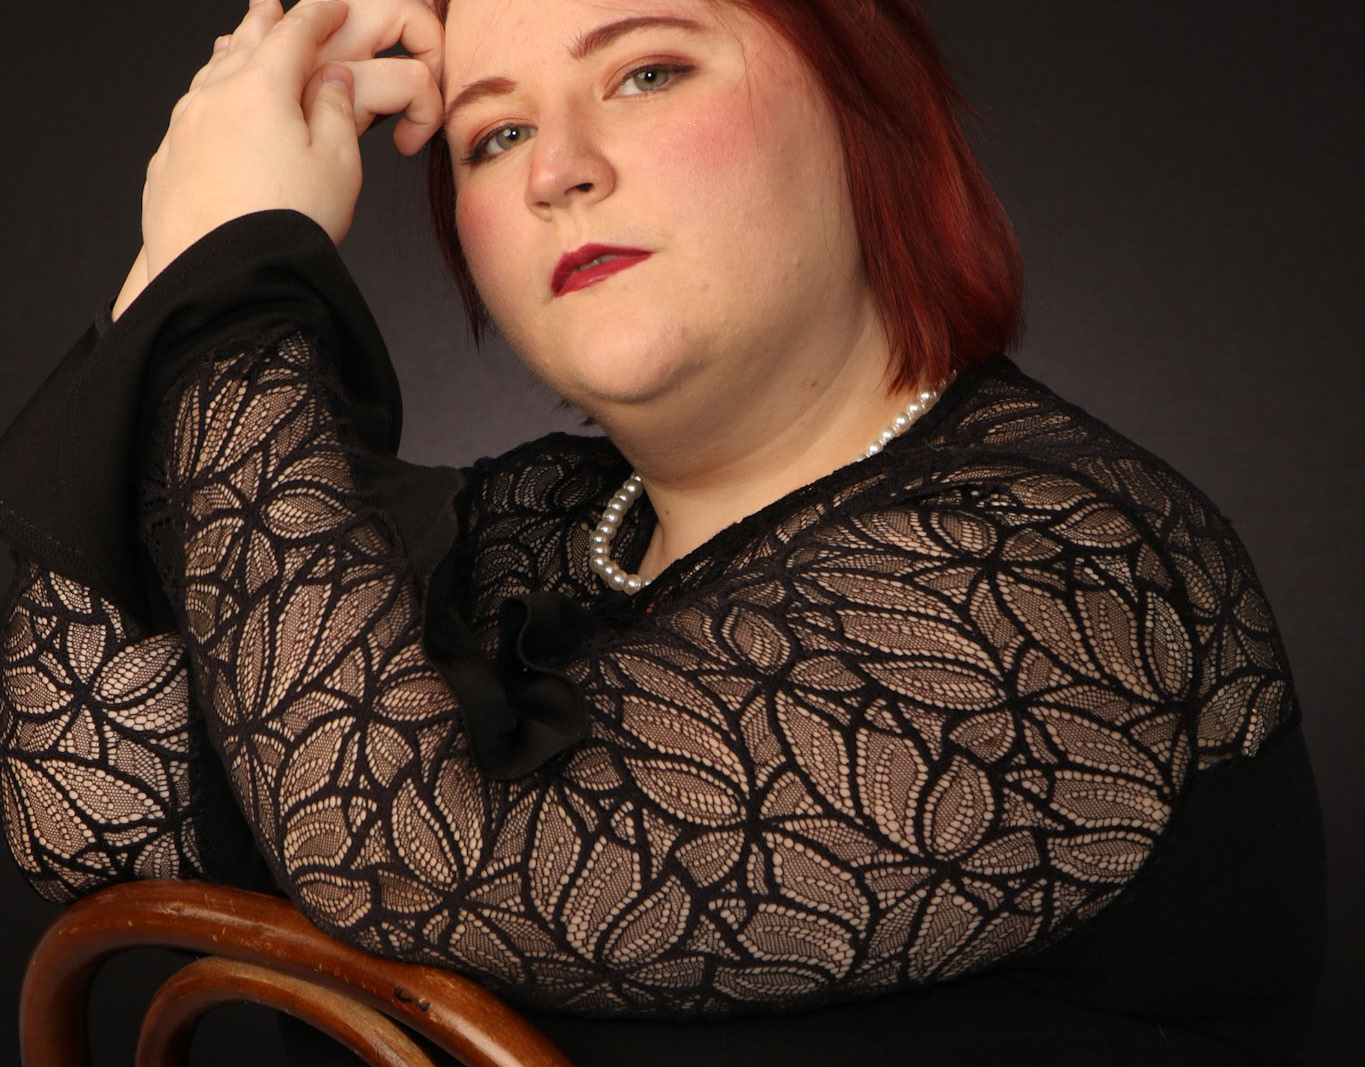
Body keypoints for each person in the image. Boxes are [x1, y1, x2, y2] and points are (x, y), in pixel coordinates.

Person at [0, 0, 1325, 1063]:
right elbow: (91, 805)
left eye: (645, 73)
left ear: (864, 108)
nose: (558, 170)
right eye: (494, 135)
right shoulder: (541, 531)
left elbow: (408, 860)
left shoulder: (1062, 577)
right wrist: (182, 258)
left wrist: (235, 282)